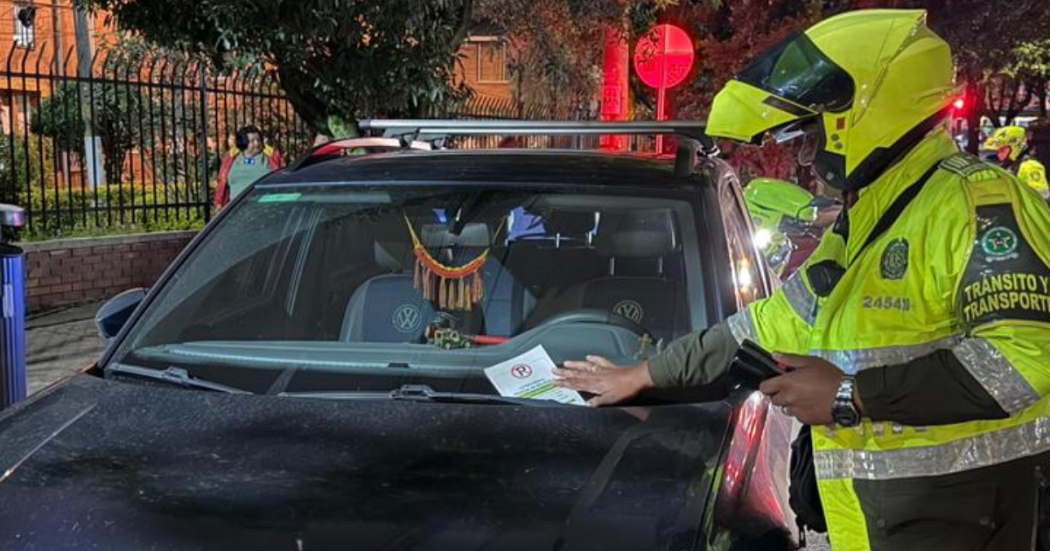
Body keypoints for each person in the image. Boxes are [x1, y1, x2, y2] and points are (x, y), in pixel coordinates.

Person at [555, 9, 1050, 551]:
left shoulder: (978, 206)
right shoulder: (868, 221)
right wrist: (645, 373)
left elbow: (1026, 360)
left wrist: (848, 397)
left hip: (964, 519)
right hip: (881, 522)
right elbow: (765, 326)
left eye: (810, 130)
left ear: (867, 113)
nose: (805, 152)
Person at [214, 125, 284, 208]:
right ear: (244, 142)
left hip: (266, 208)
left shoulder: (271, 157)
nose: (257, 143)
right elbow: (222, 184)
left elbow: (283, 178)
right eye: (252, 141)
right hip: (236, 209)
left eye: (258, 140)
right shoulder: (231, 157)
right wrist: (219, 206)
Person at [985, 125, 1049, 200]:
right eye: (998, 151)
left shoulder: (1030, 166)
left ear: (1016, 147)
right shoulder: (1010, 165)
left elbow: (1041, 197)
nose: (999, 154)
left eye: (1002, 150)